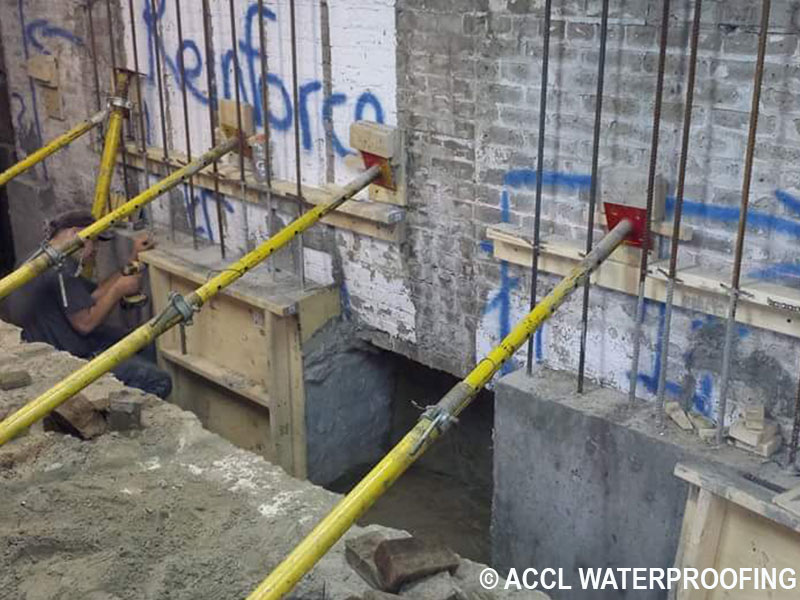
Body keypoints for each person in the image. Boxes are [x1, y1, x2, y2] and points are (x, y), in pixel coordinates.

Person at [7, 210, 172, 399]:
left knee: (142, 341)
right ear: (75, 234)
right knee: (159, 380)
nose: (95, 250)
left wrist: (131, 261)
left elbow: (93, 295)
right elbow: (85, 324)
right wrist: (118, 290)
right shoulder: (60, 270)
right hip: (69, 360)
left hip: (59, 341)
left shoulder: (40, 258)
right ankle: (123, 415)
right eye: (93, 241)